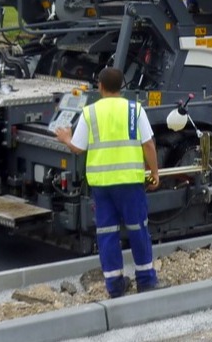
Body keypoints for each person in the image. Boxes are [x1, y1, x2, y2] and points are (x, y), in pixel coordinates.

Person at [54, 66, 161, 298]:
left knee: (107, 233)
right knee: (138, 230)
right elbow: (149, 145)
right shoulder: (135, 110)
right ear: (122, 86)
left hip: (102, 186)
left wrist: (65, 138)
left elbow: (78, 148)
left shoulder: (90, 112)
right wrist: (155, 172)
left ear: (100, 87)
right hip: (130, 183)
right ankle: (146, 280)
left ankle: (114, 285)